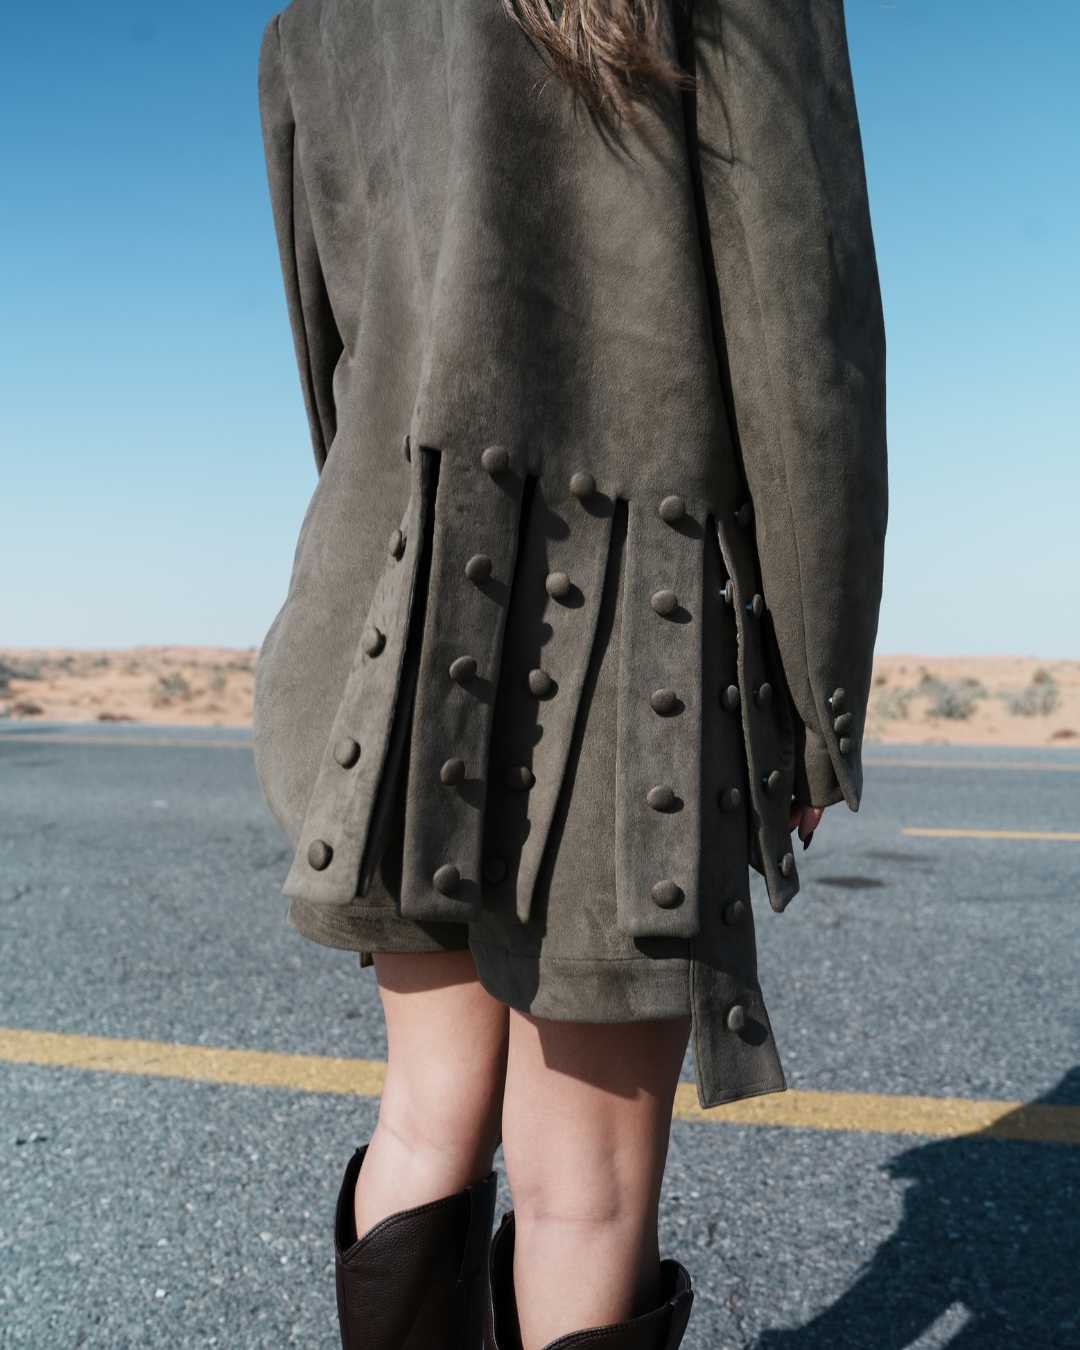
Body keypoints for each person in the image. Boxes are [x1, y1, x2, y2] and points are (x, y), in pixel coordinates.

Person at [254, 0, 887, 1346]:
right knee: (582, 1194)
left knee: (426, 1115)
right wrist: (816, 693)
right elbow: (802, 336)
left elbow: (332, 362)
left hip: (384, 625)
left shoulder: (318, 24)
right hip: (625, 652)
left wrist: (397, 582)